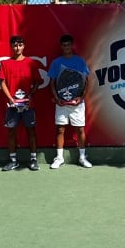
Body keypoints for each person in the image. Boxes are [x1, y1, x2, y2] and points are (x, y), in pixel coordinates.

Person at [0, 35, 43, 171]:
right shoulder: (5, 64)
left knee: (31, 131)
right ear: (11, 47)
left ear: (23, 46)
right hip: (12, 106)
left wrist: (30, 96)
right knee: (11, 132)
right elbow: (3, 83)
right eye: (14, 45)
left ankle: (33, 159)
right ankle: (13, 160)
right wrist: (10, 99)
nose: (17, 48)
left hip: (28, 105)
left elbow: (37, 82)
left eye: (20, 45)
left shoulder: (32, 63)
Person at [48, 34, 92, 169]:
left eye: (68, 45)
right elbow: (52, 82)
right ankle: (59, 158)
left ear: (72, 45)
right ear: (61, 46)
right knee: (60, 129)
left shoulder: (80, 61)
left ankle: (82, 157)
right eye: (64, 45)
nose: (66, 47)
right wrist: (56, 98)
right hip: (61, 103)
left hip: (77, 104)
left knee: (80, 129)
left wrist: (81, 97)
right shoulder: (56, 63)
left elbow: (86, 81)